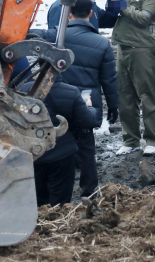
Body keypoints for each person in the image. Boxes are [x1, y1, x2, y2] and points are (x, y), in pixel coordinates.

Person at [30, 0, 118, 198]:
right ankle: (89, 191)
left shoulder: (54, 37)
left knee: (57, 144)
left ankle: (51, 192)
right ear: (91, 14)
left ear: (68, 15)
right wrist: (113, 106)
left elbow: (28, 34)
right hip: (86, 99)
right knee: (86, 146)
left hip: (58, 98)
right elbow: (109, 80)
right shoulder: (102, 43)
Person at [105, 0, 155, 156]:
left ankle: (153, 140)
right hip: (122, 44)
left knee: (148, 95)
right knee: (125, 96)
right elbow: (119, 7)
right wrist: (113, 1)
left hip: (141, 49)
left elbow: (144, 18)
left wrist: (121, 4)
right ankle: (130, 140)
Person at [21, 75, 101, 207]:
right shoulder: (71, 92)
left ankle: (41, 224)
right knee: (60, 203)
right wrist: (90, 108)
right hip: (62, 153)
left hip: (35, 154)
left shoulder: (25, 89)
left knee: (39, 200)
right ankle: (58, 224)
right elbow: (88, 121)